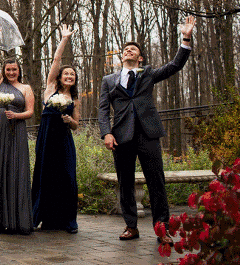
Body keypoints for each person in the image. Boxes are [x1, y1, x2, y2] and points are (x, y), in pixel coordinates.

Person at [99, 16, 195, 244]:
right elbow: (102, 110)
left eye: (133, 49)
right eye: (125, 49)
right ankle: (131, 226)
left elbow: (175, 65)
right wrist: (106, 133)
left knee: (156, 182)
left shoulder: (148, 74)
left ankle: (162, 229)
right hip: (121, 136)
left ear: (140, 57)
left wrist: (186, 37)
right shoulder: (109, 80)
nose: (128, 50)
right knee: (125, 183)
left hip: (148, 133)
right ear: (121, 56)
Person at [0, 22, 35, 235]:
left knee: (17, 171)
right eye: (8, 69)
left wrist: (17, 115)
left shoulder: (26, 88)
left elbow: (30, 112)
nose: (11, 72)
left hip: (17, 131)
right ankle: (1, 220)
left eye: (14, 69)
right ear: (4, 72)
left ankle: (19, 220)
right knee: (0, 171)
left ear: (18, 71)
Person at [31, 24, 80, 233]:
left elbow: (77, 125)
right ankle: (41, 218)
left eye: (72, 75)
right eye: (66, 74)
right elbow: (56, 61)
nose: (69, 76)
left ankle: (68, 221)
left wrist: (70, 120)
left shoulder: (75, 98)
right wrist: (64, 39)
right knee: (46, 177)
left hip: (64, 141)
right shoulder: (50, 88)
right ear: (60, 77)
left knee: (67, 178)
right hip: (47, 139)